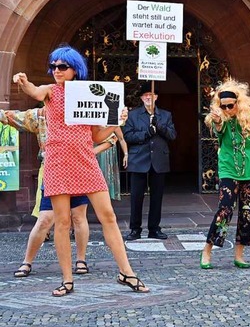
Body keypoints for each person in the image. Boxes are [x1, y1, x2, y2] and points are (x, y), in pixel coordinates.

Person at [13, 44, 149, 296]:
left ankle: (127, 272)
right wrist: (23, 82)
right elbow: (34, 90)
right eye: (53, 66)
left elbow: (96, 135)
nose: (56, 70)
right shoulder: (50, 92)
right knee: (62, 223)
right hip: (57, 162)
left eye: (62, 66)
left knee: (107, 216)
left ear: (75, 69)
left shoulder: (89, 94)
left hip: (85, 161)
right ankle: (67, 279)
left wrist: (116, 121)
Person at [1, 107, 91, 277]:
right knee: (45, 219)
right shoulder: (41, 115)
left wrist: (120, 117)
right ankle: (27, 262)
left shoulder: (80, 111)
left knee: (79, 217)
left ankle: (81, 260)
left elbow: (106, 133)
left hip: (78, 170)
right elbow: (12, 117)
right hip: (53, 171)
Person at [200, 79, 250, 269]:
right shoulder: (220, 118)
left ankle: (239, 254)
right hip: (228, 168)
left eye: (230, 105)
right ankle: (207, 250)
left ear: (238, 102)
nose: (228, 109)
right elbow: (219, 128)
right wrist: (218, 118)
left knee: (248, 212)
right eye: (224, 106)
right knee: (225, 209)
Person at [123, 84, 177, 240]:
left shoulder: (165, 115)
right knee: (136, 196)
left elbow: (172, 135)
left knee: (157, 197)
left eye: (151, 94)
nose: (148, 97)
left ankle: (154, 228)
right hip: (139, 160)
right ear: (141, 98)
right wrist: (146, 133)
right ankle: (135, 229)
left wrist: (159, 127)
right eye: (145, 95)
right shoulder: (133, 115)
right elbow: (128, 136)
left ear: (156, 97)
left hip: (159, 160)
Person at [97, 127, 128, 200]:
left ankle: (106, 195)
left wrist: (126, 154)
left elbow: (121, 139)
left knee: (107, 172)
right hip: (96, 149)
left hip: (108, 150)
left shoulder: (112, 122)